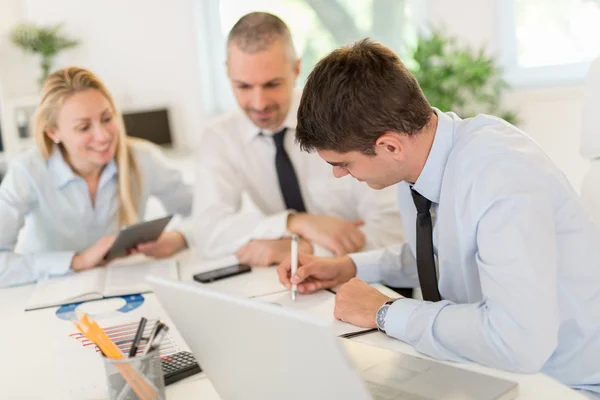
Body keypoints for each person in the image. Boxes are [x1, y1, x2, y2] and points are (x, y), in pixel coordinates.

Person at [277, 39, 600, 395]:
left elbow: (518, 343)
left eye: (343, 163)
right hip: (493, 371)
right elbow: (444, 253)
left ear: (389, 146)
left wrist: (385, 312)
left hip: (565, 385)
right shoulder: (421, 161)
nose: (338, 174)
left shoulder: (501, 177)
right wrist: (349, 267)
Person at [193, 12, 404, 267]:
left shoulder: (346, 116)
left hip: (375, 279)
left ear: (296, 69)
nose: (259, 103)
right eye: (243, 86)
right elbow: (207, 232)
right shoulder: (220, 137)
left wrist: (303, 250)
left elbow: (396, 231)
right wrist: (293, 222)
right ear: (227, 73)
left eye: (272, 84)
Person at [0, 67, 193, 288]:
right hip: (49, 294)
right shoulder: (28, 171)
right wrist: (75, 261)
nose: (103, 136)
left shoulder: (142, 159)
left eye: (107, 118)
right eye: (83, 127)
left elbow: (206, 209)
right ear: (53, 132)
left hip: (126, 288)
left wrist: (181, 237)